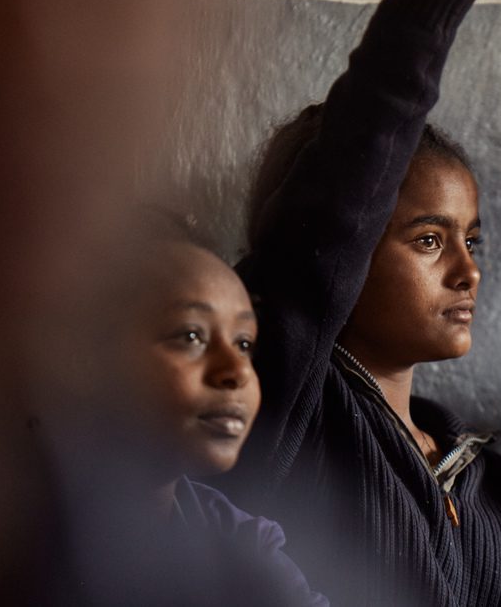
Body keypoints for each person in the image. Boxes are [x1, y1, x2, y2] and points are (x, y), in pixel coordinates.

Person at [221, 0, 501, 606]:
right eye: (429, 240)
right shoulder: (291, 415)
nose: (468, 270)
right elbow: (354, 162)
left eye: (472, 240)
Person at [51, 222, 329, 607]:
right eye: (191, 336)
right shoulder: (4, 541)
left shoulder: (240, 541)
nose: (237, 370)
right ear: (83, 361)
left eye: (244, 343)